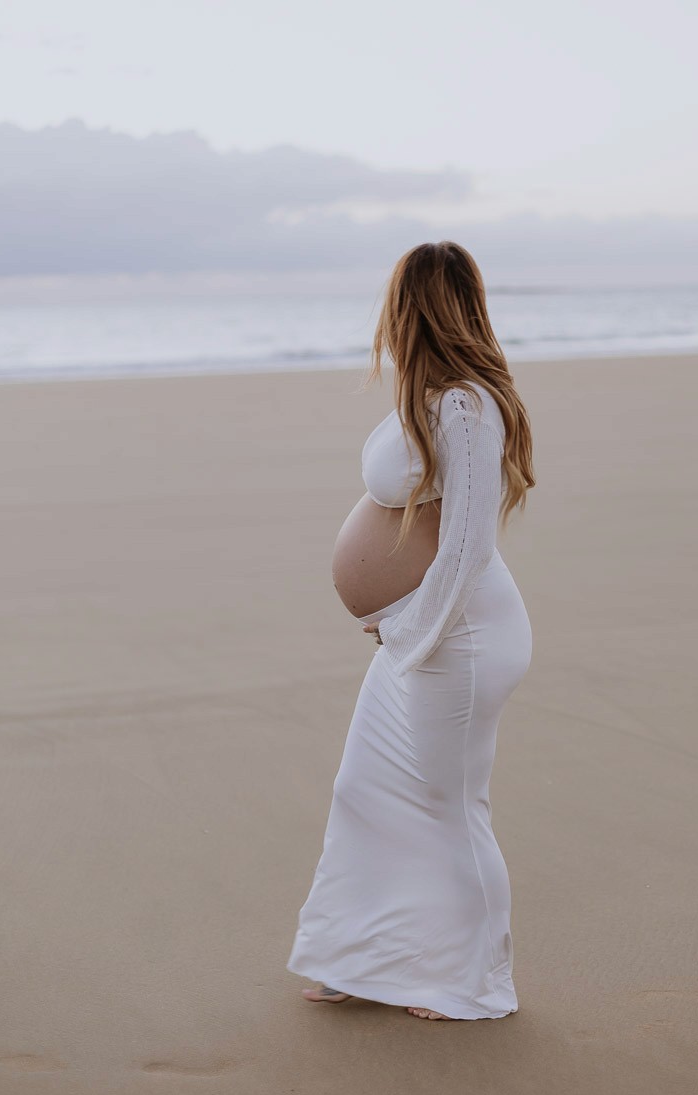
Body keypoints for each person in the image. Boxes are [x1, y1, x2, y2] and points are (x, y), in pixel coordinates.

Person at [286, 241, 535, 1020]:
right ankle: (363, 960)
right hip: (424, 635)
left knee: (450, 808)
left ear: (410, 306)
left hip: (457, 640)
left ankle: (471, 981)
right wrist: (396, 619)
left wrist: (409, 629)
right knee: (366, 790)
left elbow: (466, 546)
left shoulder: (465, 404)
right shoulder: (426, 395)